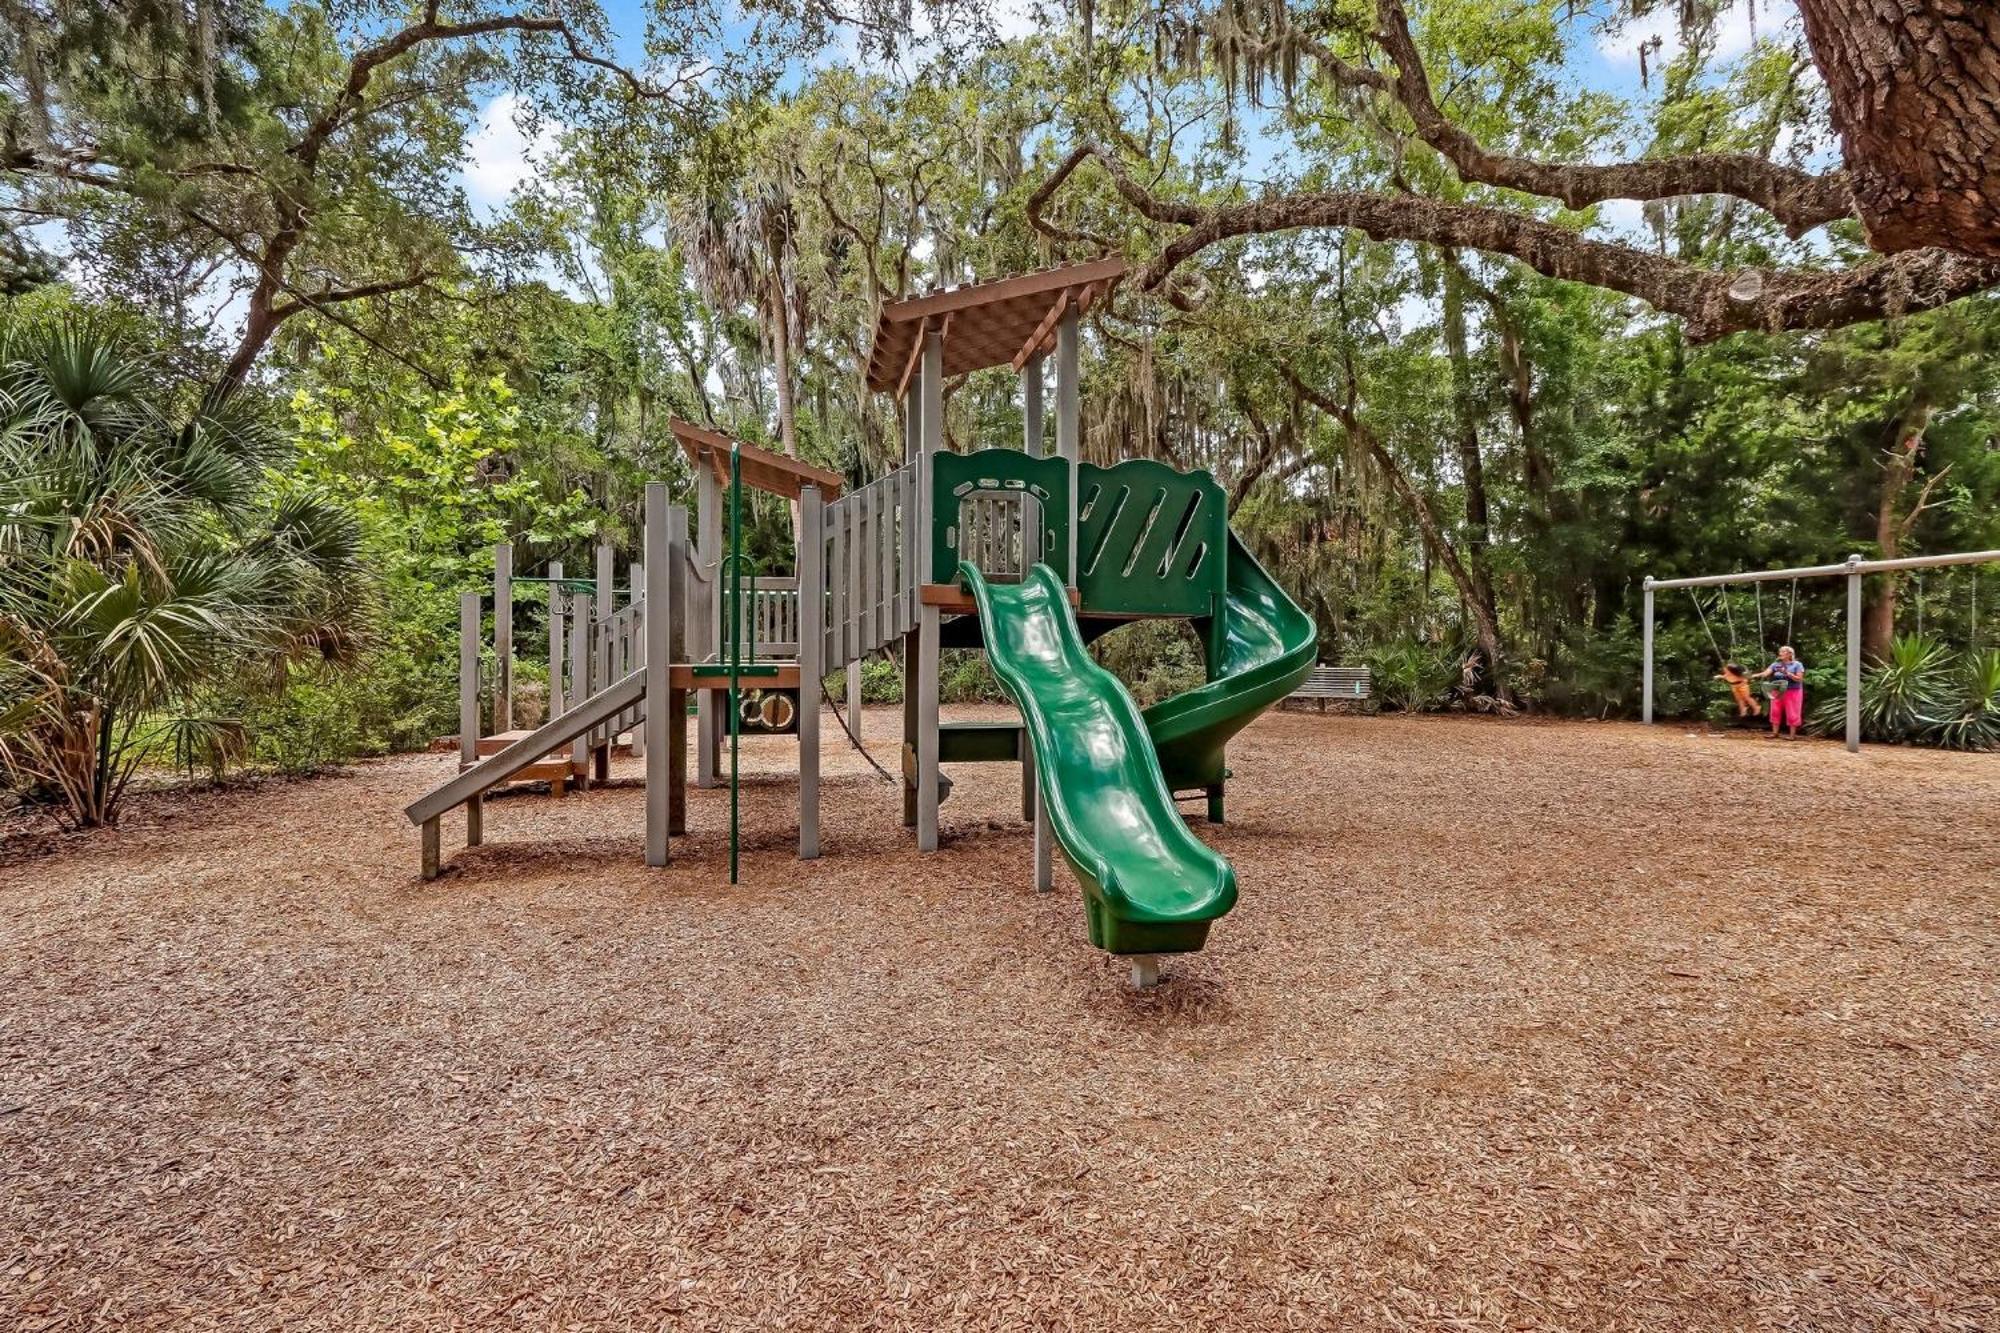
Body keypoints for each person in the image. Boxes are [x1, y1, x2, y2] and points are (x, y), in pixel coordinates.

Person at [1752, 646, 1806, 739]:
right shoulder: (1775, 664)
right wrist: (1753, 675)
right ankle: (1774, 733)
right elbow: (1765, 673)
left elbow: (1799, 679)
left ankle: (1792, 736)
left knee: (1792, 712)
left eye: (1783, 651)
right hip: (1777, 690)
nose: (1780, 653)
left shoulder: (1797, 664)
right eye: (1780, 651)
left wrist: (1787, 673)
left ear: (1790, 654)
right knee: (1775, 710)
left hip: (1793, 691)